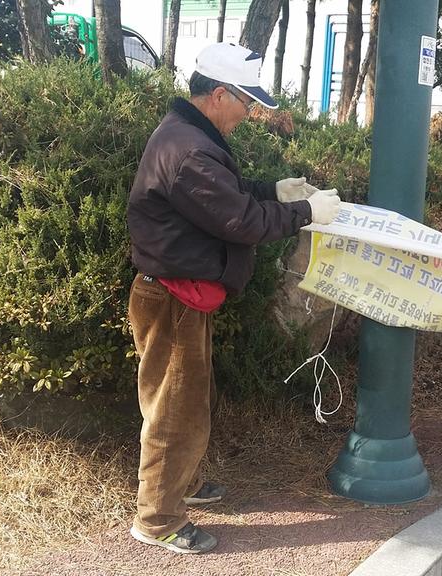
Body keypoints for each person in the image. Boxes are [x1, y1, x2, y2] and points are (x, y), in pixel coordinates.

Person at [125, 42, 341, 554]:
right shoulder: (190, 149)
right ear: (219, 94)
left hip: (181, 295)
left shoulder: (188, 136)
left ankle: (183, 484)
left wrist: (273, 189)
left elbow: (229, 194)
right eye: (246, 103)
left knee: (186, 400)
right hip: (175, 298)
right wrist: (306, 212)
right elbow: (240, 221)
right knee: (175, 409)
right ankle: (157, 519)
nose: (249, 114)